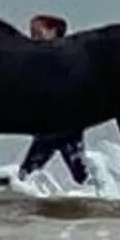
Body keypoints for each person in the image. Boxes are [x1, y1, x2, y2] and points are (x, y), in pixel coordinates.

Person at [20, 14, 88, 179]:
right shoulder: (39, 58)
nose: (33, 38)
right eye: (31, 34)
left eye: (38, 33)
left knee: (27, 173)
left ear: (54, 31)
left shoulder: (63, 55)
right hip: (50, 124)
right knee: (79, 172)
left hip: (64, 123)